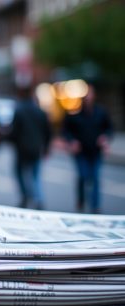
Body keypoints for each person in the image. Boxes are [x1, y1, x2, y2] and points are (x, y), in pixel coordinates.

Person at [63, 85, 113, 213]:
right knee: (83, 176)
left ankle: (95, 206)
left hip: (96, 151)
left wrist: (105, 138)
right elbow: (66, 131)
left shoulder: (101, 112)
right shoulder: (74, 114)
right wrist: (72, 141)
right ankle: (81, 200)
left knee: (95, 177)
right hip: (81, 152)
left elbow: (109, 129)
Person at [8, 86, 52, 209]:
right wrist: (47, 147)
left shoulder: (19, 110)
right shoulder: (40, 112)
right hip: (36, 149)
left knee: (19, 173)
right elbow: (47, 132)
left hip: (22, 149)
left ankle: (26, 196)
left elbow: (14, 131)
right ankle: (38, 199)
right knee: (35, 175)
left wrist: (9, 139)